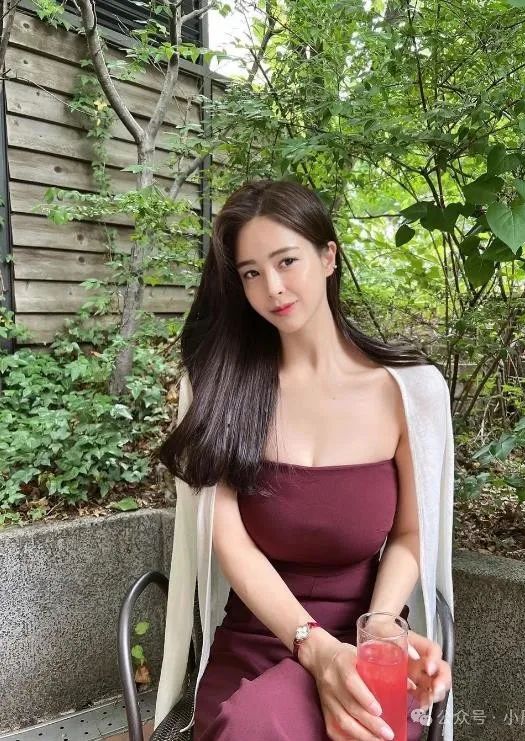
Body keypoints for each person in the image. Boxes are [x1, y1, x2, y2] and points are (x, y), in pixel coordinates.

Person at [155, 179, 454, 740]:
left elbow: (412, 534)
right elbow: (231, 545)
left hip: (368, 639)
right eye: (251, 273)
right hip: (260, 638)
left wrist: (379, 632)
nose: (272, 287)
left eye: (286, 261)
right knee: (253, 724)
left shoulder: (411, 393)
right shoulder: (218, 390)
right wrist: (314, 650)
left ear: (328, 256)